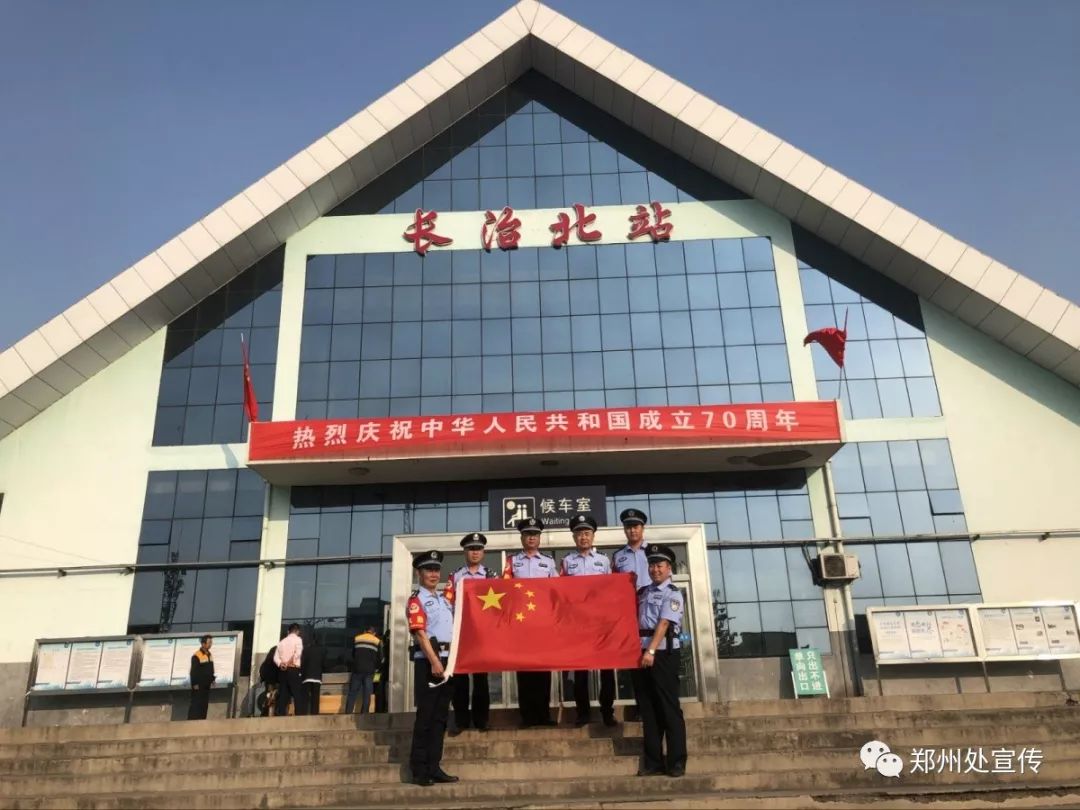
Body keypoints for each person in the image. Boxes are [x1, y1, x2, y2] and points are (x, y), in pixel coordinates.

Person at [632, 544, 687, 778]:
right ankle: (653, 761)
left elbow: (664, 623)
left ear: (669, 568)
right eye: (652, 565)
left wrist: (652, 651)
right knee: (648, 708)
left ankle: (676, 761)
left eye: (660, 565)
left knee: (668, 707)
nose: (655, 569)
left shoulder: (673, 593)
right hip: (641, 654)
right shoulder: (643, 592)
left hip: (662, 654)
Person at [406, 550, 458, 787]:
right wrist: (435, 661)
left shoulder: (445, 600)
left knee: (440, 718)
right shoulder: (416, 600)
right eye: (429, 570)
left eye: (436, 570)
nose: (434, 574)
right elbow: (420, 634)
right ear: (419, 573)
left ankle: (434, 766)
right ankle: (419, 769)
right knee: (426, 717)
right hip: (429, 663)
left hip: (448, 662)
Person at [561, 513, 616, 727]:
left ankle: (607, 712)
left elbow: (613, 590)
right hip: (578, 624)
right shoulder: (567, 561)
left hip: (601, 624)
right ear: (574, 538)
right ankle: (582, 713)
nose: (583, 537)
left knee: (606, 670)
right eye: (579, 534)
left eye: (587, 533)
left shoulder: (604, 561)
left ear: (593, 536)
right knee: (580, 671)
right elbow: (562, 592)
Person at [503, 516, 558, 728]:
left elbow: (557, 590)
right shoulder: (511, 562)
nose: (531, 538)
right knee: (524, 669)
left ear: (539, 538)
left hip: (542, 623)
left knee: (543, 670)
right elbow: (504, 589)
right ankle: (527, 716)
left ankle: (543, 714)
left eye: (535, 534)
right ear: (522, 538)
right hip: (521, 624)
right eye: (527, 534)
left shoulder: (549, 562)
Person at [446, 532, 497, 734]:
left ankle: (481, 720)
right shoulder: (456, 576)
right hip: (461, 633)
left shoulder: (491, 575)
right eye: (471, 549)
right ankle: (461, 721)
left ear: (483, 552)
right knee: (460, 679)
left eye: (478, 549)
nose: (475, 552)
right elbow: (448, 603)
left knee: (481, 680)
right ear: (465, 552)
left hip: (481, 635)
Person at [345, 627, 381, 714]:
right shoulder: (377, 641)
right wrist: (376, 670)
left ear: (365, 631)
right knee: (367, 694)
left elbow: (353, 654)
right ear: (374, 633)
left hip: (357, 669)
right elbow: (379, 658)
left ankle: (348, 713)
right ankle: (364, 714)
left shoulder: (357, 638)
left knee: (352, 693)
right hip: (369, 671)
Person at [274, 623, 308, 716]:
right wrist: (289, 662)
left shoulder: (282, 642)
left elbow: (275, 657)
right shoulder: (298, 640)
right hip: (293, 669)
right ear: (297, 631)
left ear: (288, 631)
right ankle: (298, 715)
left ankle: (281, 714)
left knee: (283, 693)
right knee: (297, 693)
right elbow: (297, 653)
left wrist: (281, 664)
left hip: (283, 670)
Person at [612, 508, 651, 587]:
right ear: (624, 530)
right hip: (627, 594)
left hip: (649, 594)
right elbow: (614, 582)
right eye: (628, 527)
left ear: (643, 528)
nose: (632, 530)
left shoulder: (654, 552)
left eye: (636, 527)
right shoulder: (617, 556)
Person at [187, 634, 215, 720]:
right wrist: (194, 683)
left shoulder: (209, 655)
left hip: (206, 685)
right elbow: (193, 671)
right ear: (203, 644)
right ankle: (192, 722)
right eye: (209, 642)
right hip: (198, 686)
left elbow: (210, 669)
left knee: (204, 704)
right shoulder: (197, 655)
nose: (210, 644)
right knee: (196, 704)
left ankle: (202, 720)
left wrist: (212, 679)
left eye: (211, 642)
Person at [301, 630, 324, 716]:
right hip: (317, 677)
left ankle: (304, 713)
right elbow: (324, 664)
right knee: (315, 697)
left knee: (305, 697)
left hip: (307, 677)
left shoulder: (306, 650)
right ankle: (314, 714)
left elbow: (302, 663)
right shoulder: (322, 650)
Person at [257, 645, 278, 717]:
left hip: (268, 683)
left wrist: (263, 679)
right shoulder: (277, 662)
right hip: (275, 683)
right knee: (274, 699)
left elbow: (262, 672)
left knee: (269, 698)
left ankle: (265, 713)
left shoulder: (266, 663)